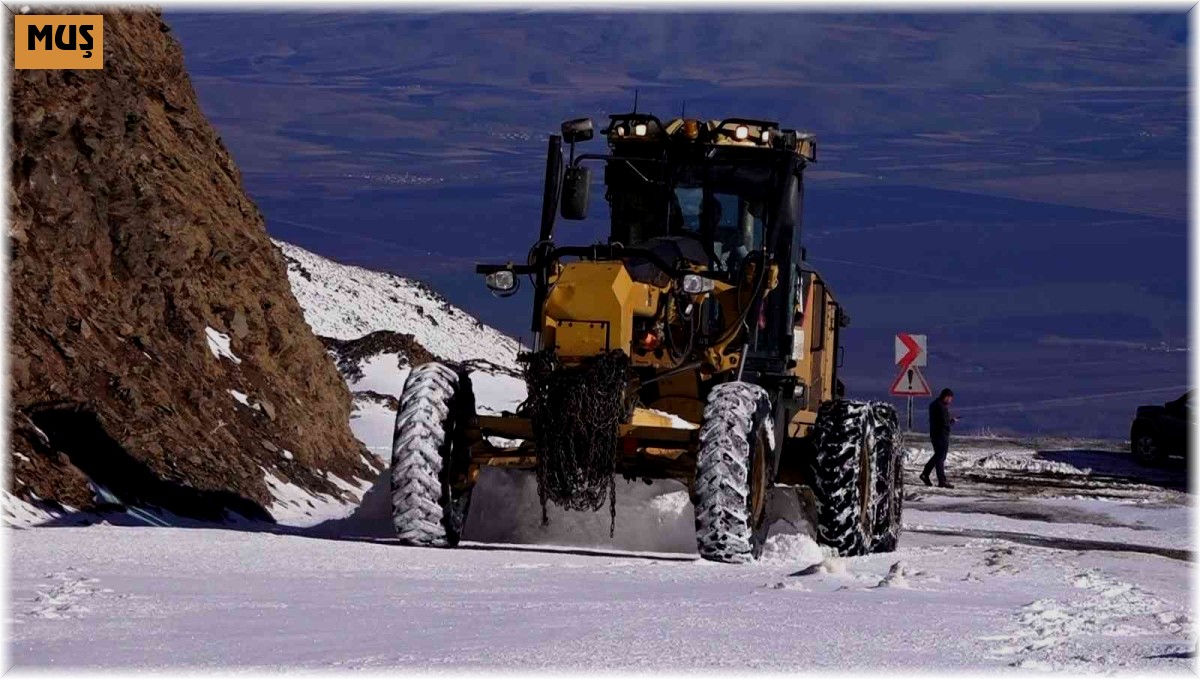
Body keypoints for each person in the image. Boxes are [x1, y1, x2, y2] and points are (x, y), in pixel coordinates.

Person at [921, 388, 959, 488]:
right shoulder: (941, 407)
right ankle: (941, 480)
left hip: (935, 434)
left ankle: (925, 474)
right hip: (941, 435)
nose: (950, 401)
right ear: (946, 397)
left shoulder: (934, 404)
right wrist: (952, 421)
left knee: (938, 456)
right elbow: (944, 422)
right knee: (940, 457)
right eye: (950, 398)